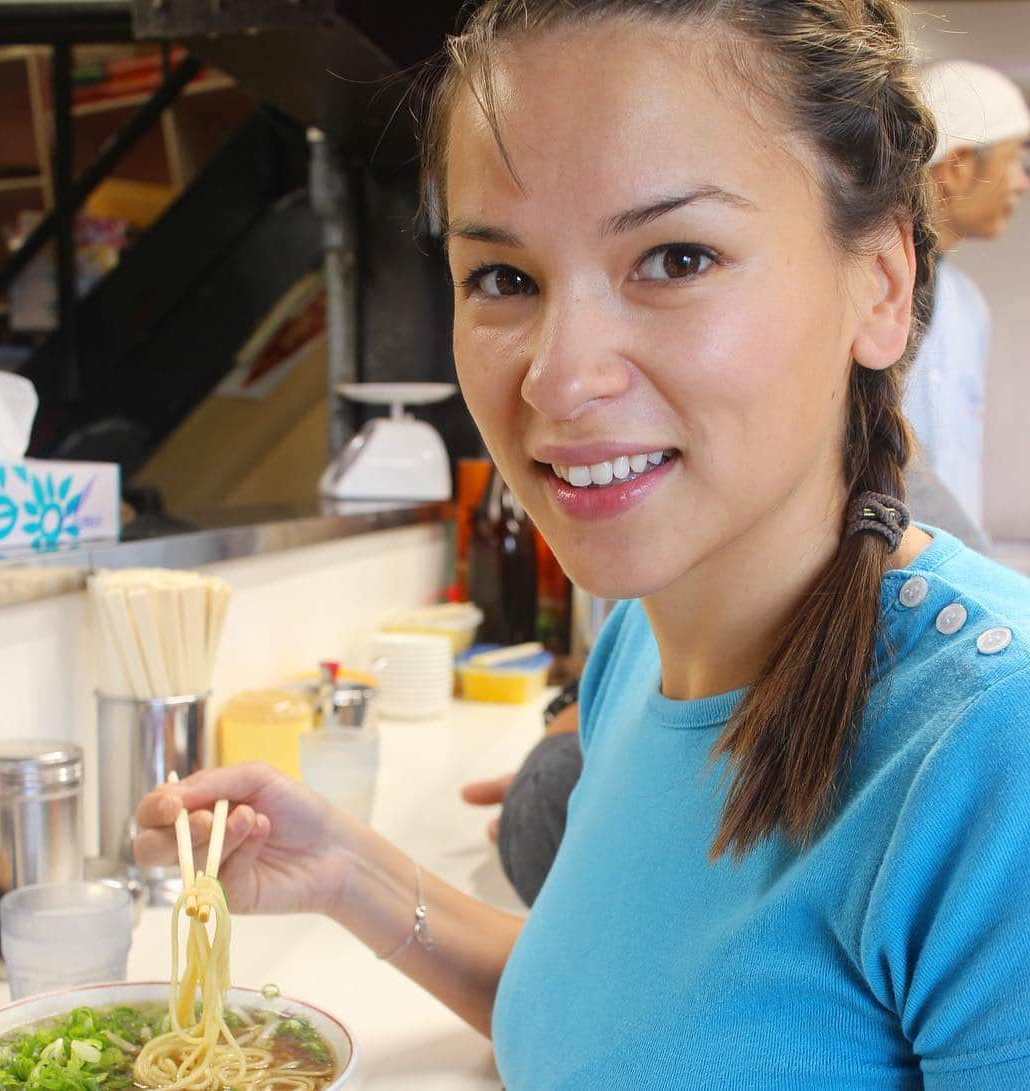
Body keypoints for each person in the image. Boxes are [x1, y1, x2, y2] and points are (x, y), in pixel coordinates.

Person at [134, 1, 1030, 1085]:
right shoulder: (635, 653)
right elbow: (635, 1022)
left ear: (881, 286)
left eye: (677, 256)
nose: (558, 378)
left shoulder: (991, 751)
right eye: (503, 278)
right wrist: (344, 869)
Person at [903, 60, 1030, 537]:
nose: (1022, 181)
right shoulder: (870, 287)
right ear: (958, 167)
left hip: (949, 578)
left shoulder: (968, 305)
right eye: (1014, 159)